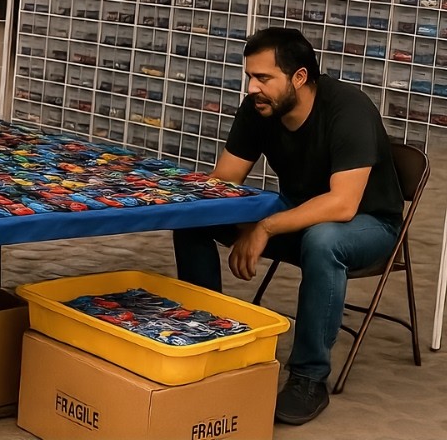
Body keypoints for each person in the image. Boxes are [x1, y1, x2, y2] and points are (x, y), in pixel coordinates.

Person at [172, 27, 402, 426]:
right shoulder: (259, 109)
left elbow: (343, 204)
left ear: (298, 77)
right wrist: (186, 198)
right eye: (249, 76)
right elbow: (224, 182)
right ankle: (205, 339)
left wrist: (264, 228)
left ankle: (308, 378)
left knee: (323, 239)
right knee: (194, 220)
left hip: (369, 225)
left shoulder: (348, 109)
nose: (252, 87)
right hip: (299, 214)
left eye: (263, 78)